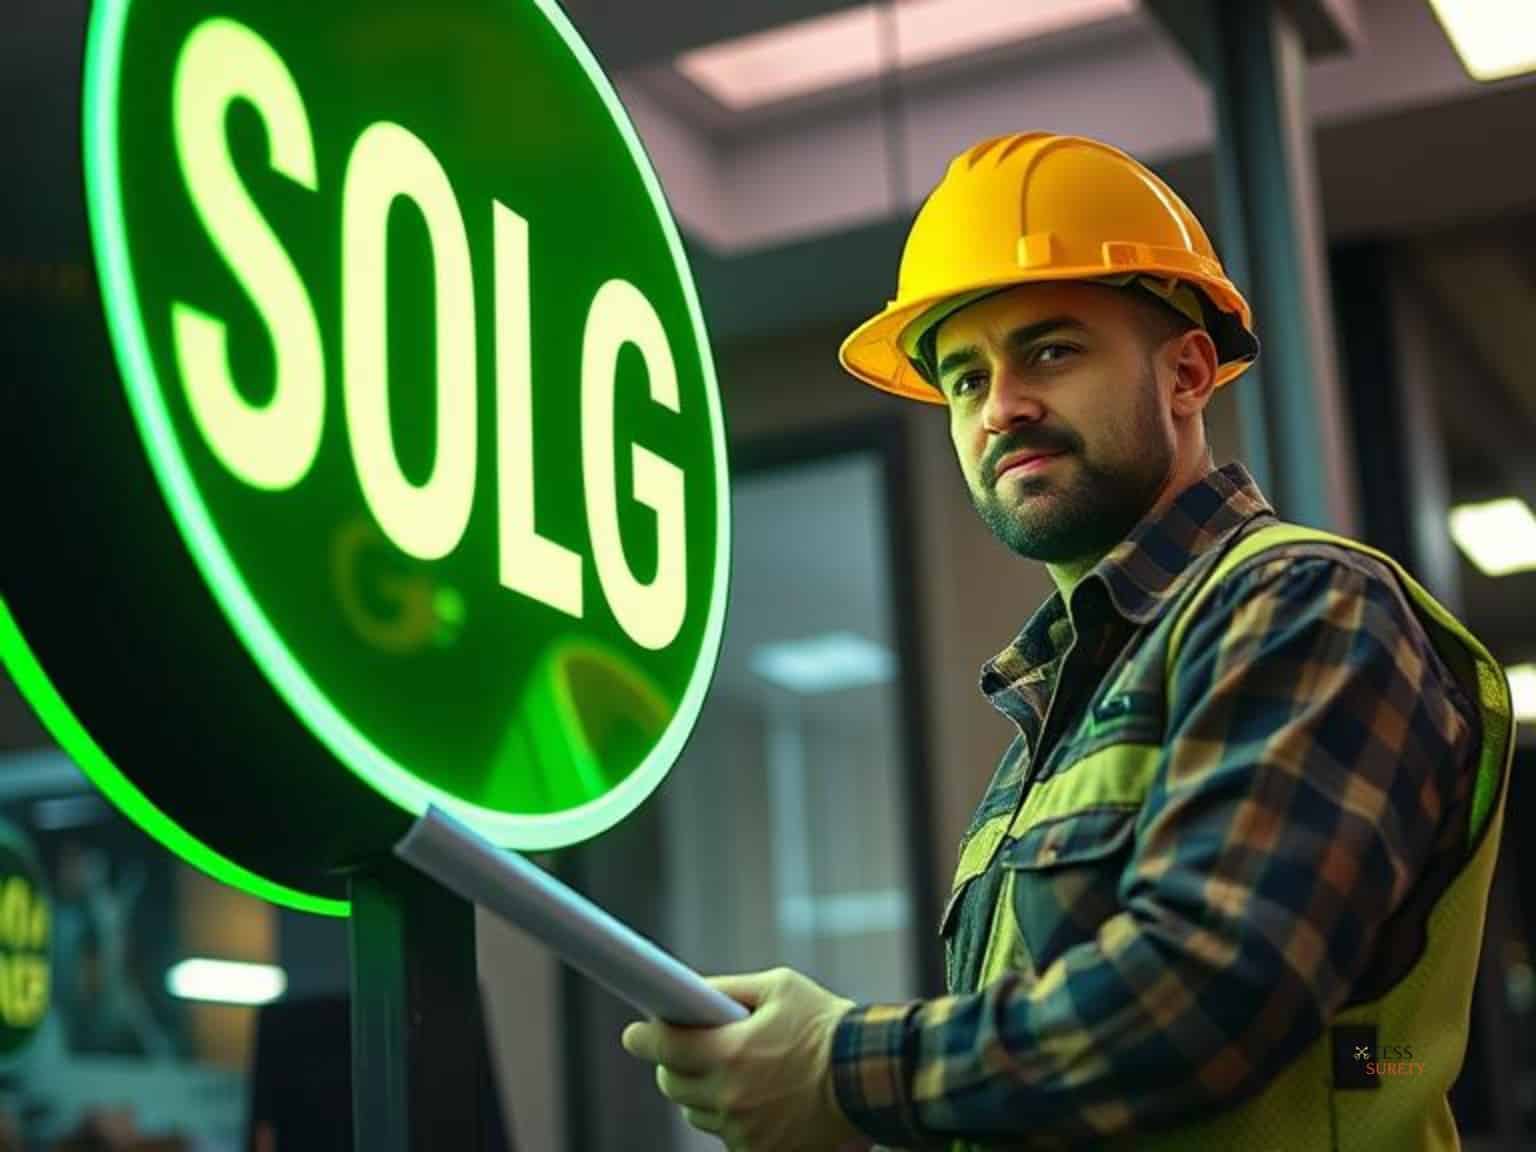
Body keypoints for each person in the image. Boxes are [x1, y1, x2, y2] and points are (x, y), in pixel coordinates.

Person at [620, 132, 1515, 1151]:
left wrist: (844, 1070)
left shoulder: (1304, 604)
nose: (1001, 407)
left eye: (1050, 350)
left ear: (1186, 374)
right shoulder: (1059, 713)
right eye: (963, 378)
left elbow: (1209, 996)